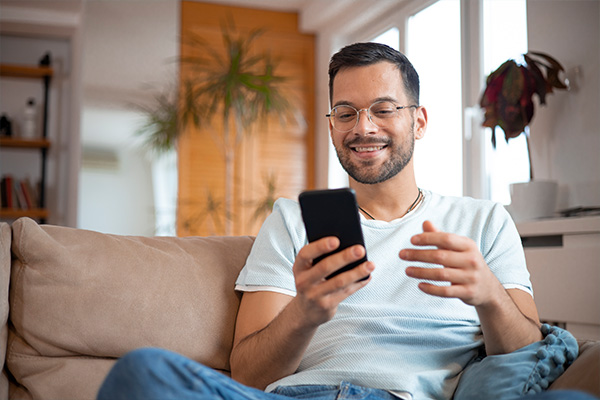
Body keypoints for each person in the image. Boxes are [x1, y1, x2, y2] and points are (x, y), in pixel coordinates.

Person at [97, 43, 589, 400]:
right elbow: (245, 375)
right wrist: (306, 312)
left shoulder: (484, 222)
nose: (363, 127)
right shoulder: (292, 222)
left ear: (418, 121)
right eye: (346, 112)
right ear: (332, 125)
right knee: (142, 372)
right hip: (296, 398)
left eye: (383, 109)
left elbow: (525, 351)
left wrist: (486, 293)